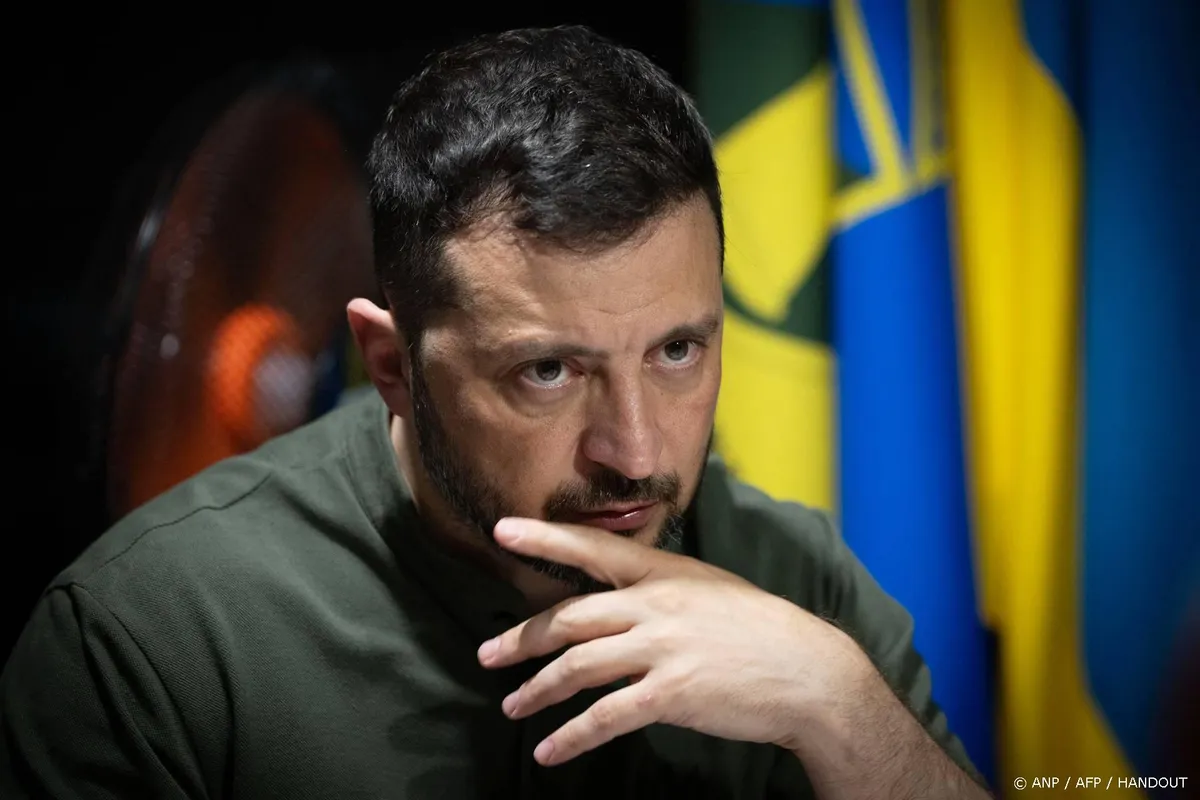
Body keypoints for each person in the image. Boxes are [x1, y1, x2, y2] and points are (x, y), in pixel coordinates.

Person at [1, 25, 992, 799]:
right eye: (548, 371)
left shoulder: (797, 587)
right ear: (391, 365)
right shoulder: (150, 642)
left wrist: (844, 711)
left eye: (677, 351)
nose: (635, 452)